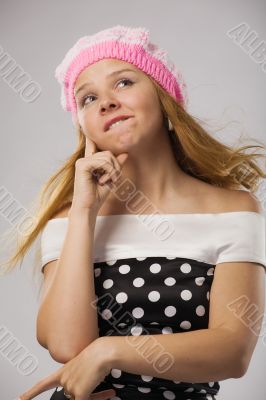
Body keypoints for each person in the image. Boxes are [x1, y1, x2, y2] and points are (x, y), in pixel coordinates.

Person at [2, 25, 266, 400]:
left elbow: (233, 351)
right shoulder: (69, 220)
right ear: (84, 126)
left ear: (165, 99)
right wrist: (84, 213)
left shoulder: (234, 210)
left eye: (123, 83)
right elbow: (65, 344)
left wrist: (108, 350)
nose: (106, 102)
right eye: (88, 98)